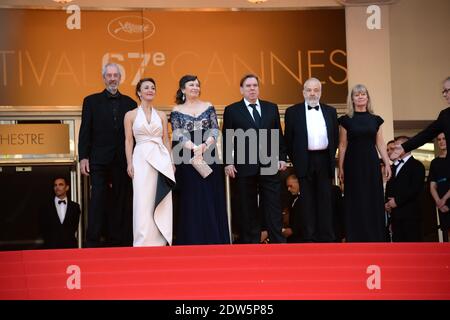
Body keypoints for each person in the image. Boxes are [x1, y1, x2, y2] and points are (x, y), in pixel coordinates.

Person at [223, 74, 287, 244]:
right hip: (244, 164)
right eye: (248, 86)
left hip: (269, 163)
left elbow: (278, 135)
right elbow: (227, 138)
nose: (252, 88)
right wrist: (228, 162)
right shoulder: (232, 110)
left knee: (273, 204)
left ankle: (277, 240)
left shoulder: (271, 108)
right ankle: (250, 242)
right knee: (247, 205)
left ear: (258, 88)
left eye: (255, 85)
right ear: (241, 90)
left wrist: (282, 157)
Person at [78, 63, 137, 247]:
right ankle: (93, 241)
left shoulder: (130, 103)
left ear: (120, 78)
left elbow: (133, 135)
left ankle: (120, 240)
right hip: (99, 160)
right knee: (97, 199)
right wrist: (83, 157)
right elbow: (85, 130)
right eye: (109, 75)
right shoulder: (91, 101)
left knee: (121, 199)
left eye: (115, 75)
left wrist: (133, 159)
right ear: (104, 78)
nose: (112, 78)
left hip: (122, 160)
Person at [170, 75, 230, 245]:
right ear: (183, 89)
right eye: (191, 85)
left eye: (197, 85)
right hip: (186, 157)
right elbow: (177, 133)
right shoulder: (176, 110)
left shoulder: (208, 106)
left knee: (210, 195)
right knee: (191, 196)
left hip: (209, 154)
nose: (195, 87)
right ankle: (192, 239)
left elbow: (214, 129)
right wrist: (193, 147)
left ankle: (214, 238)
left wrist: (203, 146)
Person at [284, 77, 339, 242]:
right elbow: (289, 140)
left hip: (324, 159)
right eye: (309, 90)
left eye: (316, 90)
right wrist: (298, 159)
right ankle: (310, 237)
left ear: (321, 92)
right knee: (306, 200)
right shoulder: (292, 112)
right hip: (304, 159)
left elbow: (334, 138)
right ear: (303, 92)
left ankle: (327, 236)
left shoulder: (331, 111)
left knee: (325, 199)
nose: (312, 93)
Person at [124, 78, 175, 246]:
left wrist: (171, 161)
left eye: (153, 87)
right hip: (140, 158)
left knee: (159, 197)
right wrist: (129, 163)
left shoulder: (161, 115)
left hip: (160, 158)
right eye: (146, 88)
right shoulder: (130, 115)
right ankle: (142, 240)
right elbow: (128, 141)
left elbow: (166, 140)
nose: (150, 90)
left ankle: (160, 240)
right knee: (142, 198)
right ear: (139, 92)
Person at [338, 84, 391, 242]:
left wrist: (387, 163)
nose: (360, 97)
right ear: (352, 99)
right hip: (352, 163)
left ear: (367, 98)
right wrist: (340, 167)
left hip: (371, 163)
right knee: (355, 198)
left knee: (372, 197)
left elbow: (380, 143)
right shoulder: (346, 120)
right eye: (356, 95)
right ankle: (355, 237)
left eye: (363, 94)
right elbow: (342, 145)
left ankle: (375, 237)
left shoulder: (376, 120)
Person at [391, 76, 450, 182]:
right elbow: (427, 134)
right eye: (443, 92)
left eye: (446, 91)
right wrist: (404, 147)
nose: (444, 94)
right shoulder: (445, 115)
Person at [385, 136, 425, 242]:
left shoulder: (417, 165)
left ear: (408, 147)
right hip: (395, 217)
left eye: (398, 146)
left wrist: (397, 201)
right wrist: (387, 203)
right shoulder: (393, 167)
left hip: (411, 216)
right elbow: (389, 187)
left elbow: (415, 189)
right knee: (399, 251)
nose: (395, 149)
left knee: (413, 250)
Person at [38, 177, 81, 249]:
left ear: (67, 187)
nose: (57, 187)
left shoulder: (75, 207)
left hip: (70, 247)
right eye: (55, 185)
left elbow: (74, 227)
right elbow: (43, 227)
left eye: (60, 185)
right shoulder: (45, 207)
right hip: (50, 247)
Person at [428, 133, 450, 242]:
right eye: (439, 139)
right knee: (446, 235)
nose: (441, 141)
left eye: (444, 138)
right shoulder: (435, 162)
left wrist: (444, 199)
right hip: (442, 205)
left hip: (445, 200)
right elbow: (432, 185)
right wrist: (439, 202)